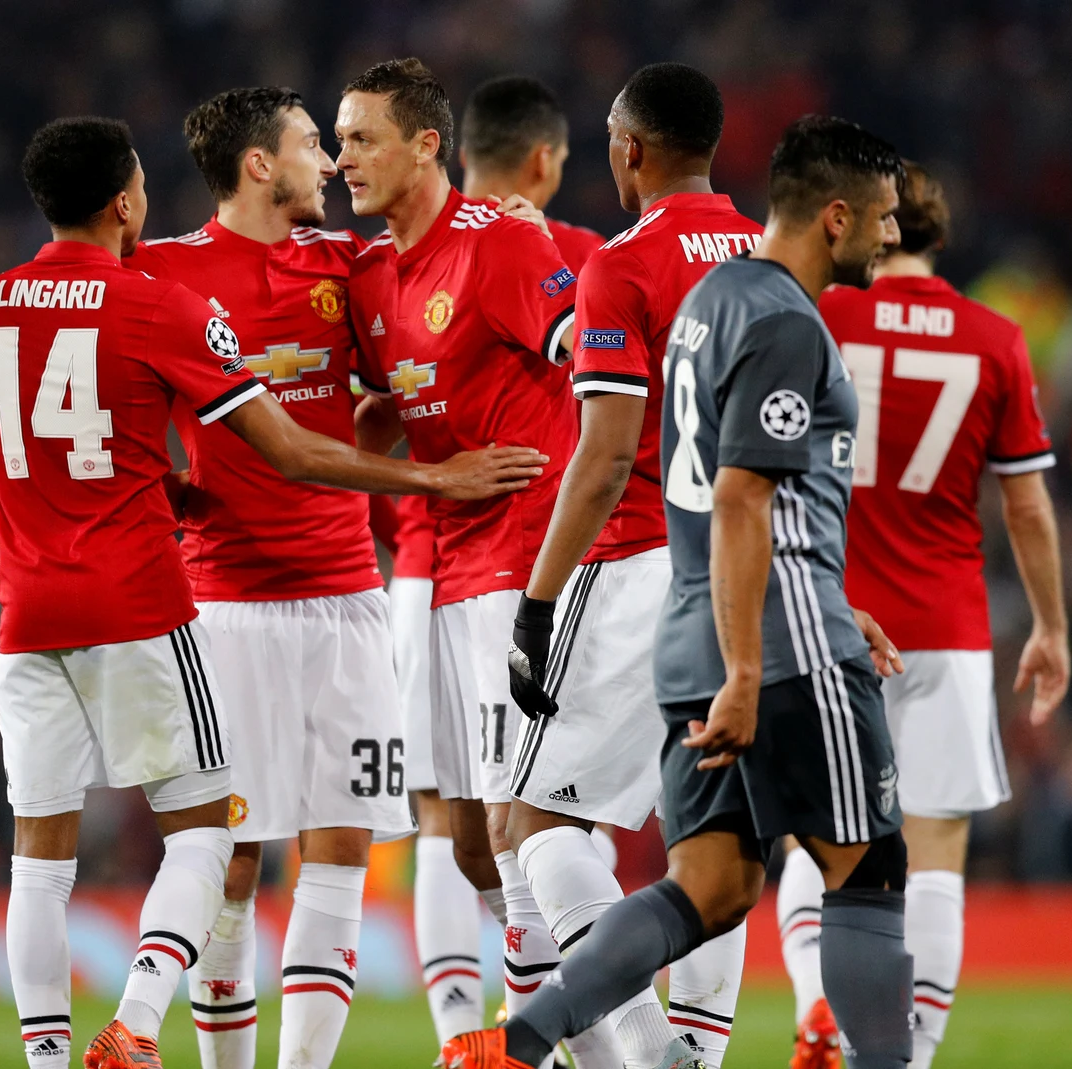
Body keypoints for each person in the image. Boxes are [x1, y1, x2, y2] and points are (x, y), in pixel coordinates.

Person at [0, 115, 545, 1069]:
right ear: (258, 164)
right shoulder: (159, 275)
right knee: (232, 860)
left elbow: (428, 309)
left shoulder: (348, 265)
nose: (329, 160)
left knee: (340, 847)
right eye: (308, 141)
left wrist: (498, 220)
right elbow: (64, 329)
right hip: (224, 598)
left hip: (347, 599)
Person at [440, 115, 913, 1069]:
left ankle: (528, 1039)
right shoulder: (782, 315)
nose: (895, 237)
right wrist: (780, 633)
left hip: (693, 609)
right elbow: (744, 492)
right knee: (869, 871)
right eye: (885, 218)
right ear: (833, 217)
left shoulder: (704, 303)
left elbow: (697, 474)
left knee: (712, 880)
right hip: (769, 627)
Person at [779, 161, 1070, 1069]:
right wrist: (1053, 627)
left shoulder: (819, 314)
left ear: (874, 229)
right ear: (940, 237)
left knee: (814, 831)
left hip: (827, 612)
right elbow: (1025, 506)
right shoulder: (995, 337)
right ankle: (910, 1053)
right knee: (937, 848)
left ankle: (814, 1009)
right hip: (945, 626)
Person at [503, 62, 764, 1069]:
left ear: (632, 149)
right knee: (722, 839)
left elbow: (607, 454)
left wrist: (537, 597)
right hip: (760, 573)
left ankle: (648, 1055)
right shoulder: (773, 257)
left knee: (540, 820)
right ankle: (694, 1048)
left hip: (641, 567)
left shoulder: (626, 259)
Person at [335, 57, 579, 1050]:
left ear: (426, 145)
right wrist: (383, 423)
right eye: (338, 138)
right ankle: (528, 1010)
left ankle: (540, 1034)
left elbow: (595, 352)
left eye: (361, 138)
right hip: (436, 568)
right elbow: (389, 410)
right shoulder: (369, 276)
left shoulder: (500, 246)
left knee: (523, 825)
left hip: (520, 563)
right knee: (465, 830)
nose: (344, 157)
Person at [399, 70, 604, 1053]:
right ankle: (546, 1026)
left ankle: (471, 1028)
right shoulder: (564, 251)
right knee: (539, 809)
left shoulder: (397, 258)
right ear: (546, 157)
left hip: (415, 566)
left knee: (450, 814)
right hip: (523, 562)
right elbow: (616, 369)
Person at [458, 75, 604, 269]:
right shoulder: (583, 254)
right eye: (560, 160)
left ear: (463, 157)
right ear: (542, 161)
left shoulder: (416, 239)